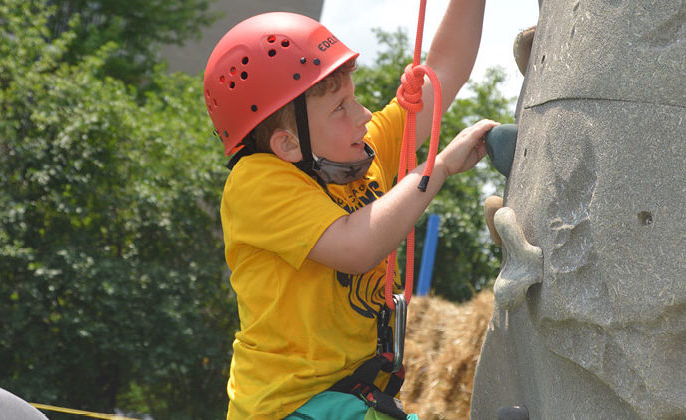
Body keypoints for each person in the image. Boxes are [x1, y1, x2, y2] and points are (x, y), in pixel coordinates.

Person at [203, 3, 497, 418]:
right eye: (339, 107)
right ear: (288, 144)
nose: (362, 115)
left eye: (352, 98)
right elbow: (356, 246)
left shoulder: (358, 154)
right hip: (289, 407)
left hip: (349, 399)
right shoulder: (256, 181)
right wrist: (439, 165)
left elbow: (444, 71)